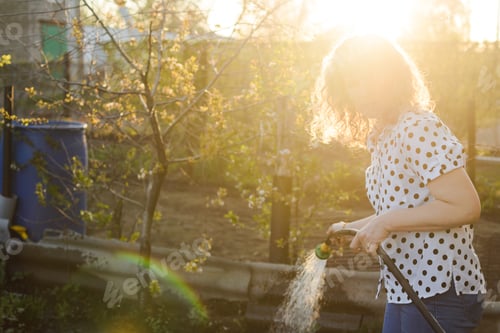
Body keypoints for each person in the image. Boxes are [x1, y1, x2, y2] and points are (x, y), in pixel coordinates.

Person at [310, 34, 486, 332]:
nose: (360, 92)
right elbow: (408, 210)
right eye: (352, 83)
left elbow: (465, 206)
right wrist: (351, 227)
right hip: (407, 286)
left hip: (440, 289)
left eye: (369, 78)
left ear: (391, 76)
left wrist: (387, 222)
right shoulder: (383, 135)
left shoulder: (417, 127)